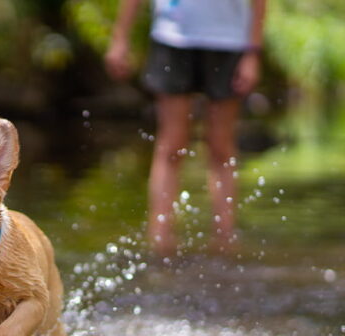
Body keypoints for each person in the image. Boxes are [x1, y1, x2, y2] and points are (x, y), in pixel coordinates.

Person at [105, 0, 267, 257]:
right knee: (171, 145)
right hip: (172, 36)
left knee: (220, 146)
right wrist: (120, 38)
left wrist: (253, 51)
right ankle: (160, 239)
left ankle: (225, 238)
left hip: (229, 40)